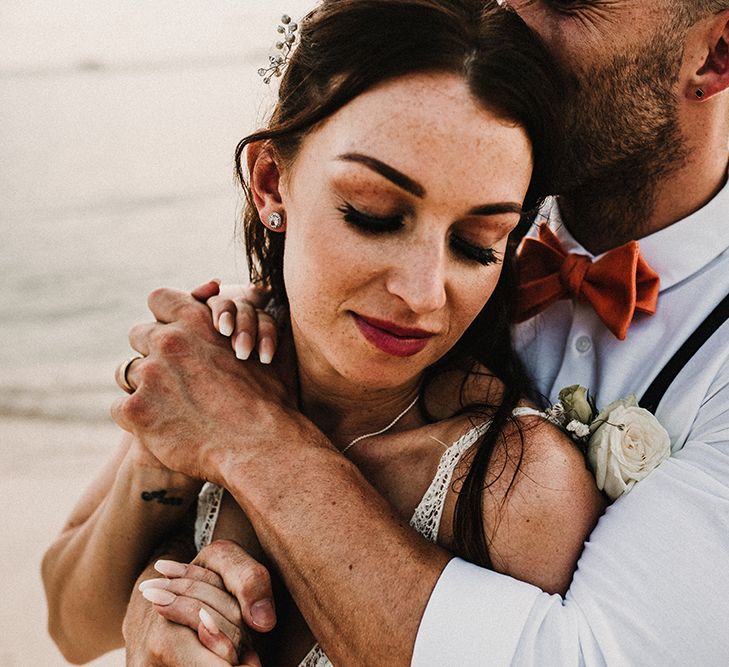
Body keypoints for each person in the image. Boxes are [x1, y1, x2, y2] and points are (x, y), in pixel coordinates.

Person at [110, 0, 729, 664]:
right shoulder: (461, 177)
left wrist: (248, 432)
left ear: (715, 52)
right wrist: (166, 594)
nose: (508, 14)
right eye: (374, 216)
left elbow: (582, 655)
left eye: (565, 2)